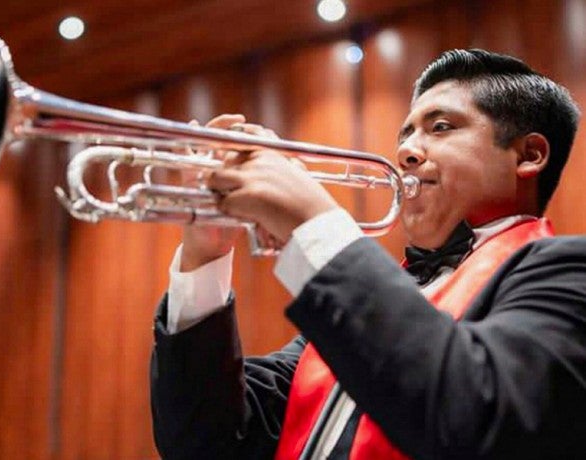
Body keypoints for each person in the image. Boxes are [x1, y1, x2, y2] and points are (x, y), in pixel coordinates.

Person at [150, 49, 586, 459]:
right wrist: (205, 250)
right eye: (406, 134)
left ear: (529, 155)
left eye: (441, 127)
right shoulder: (354, 320)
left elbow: (481, 420)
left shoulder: (570, 274)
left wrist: (313, 224)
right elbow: (204, 442)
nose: (405, 152)